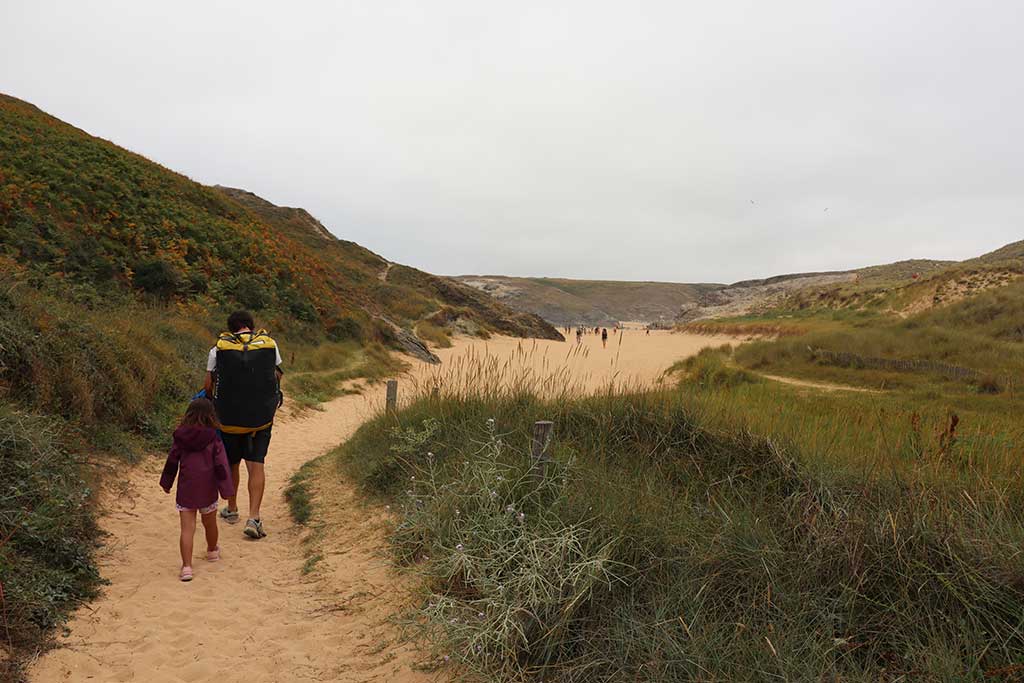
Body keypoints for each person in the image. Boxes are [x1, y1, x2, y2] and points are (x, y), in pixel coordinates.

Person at [204, 310, 284, 540]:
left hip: (229, 418)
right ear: (250, 325)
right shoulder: (269, 344)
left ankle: (232, 508)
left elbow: (208, 384)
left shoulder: (218, 348)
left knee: (232, 463)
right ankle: (254, 517)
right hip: (261, 418)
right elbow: (277, 375)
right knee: (256, 464)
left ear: (231, 329)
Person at [160, 398, 234, 582]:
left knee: (187, 529)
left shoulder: (180, 437)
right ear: (211, 416)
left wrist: (166, 483)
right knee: (210, 524)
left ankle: (186, 567)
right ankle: (212, 551)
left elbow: (172, 461)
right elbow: (221, 466)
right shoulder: (213, 439)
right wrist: (226, 489)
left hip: (186, 489)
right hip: (207, 489)